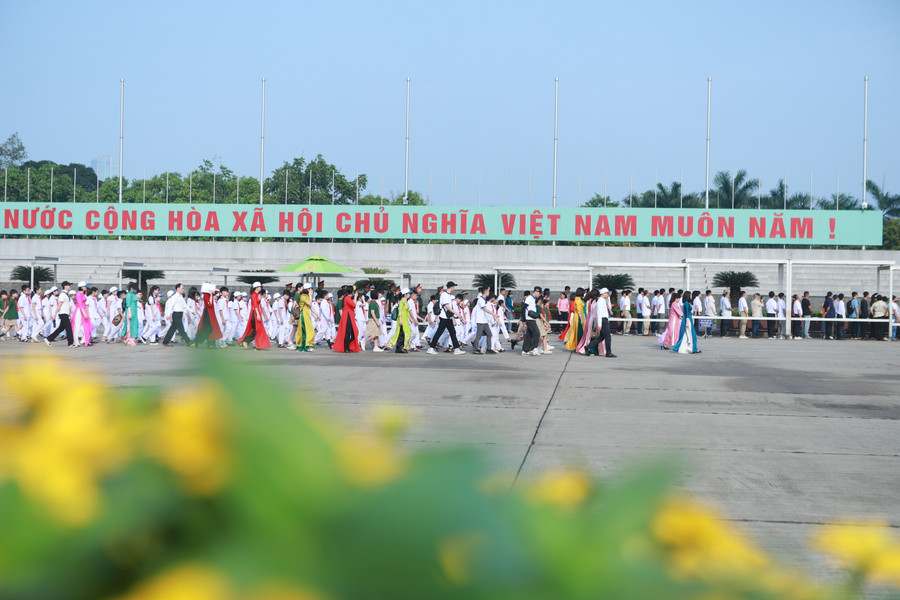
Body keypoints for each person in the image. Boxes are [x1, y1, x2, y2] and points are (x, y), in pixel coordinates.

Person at [427, 282, 465, 355]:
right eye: (454, 287)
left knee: (452, 332)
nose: (454, 288)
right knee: (439, 332)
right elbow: (447, 306)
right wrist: (456, 313)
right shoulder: (444, 295)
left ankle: (456, 348)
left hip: (448, 317)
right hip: (444, 317)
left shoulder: (448, 295)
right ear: (451, 287)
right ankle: (431, 348)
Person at [238, 283, 271, 350]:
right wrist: (258, 314)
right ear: (256, 287)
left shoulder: (256, 295)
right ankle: (246, 341)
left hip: (256, 313)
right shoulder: (254, 295)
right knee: (256, 330)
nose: (260, 288)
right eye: (259, 287)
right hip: (254, 314)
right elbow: (255, 305)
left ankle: (257, 345)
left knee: (258, 330)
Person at [585, 288, 616, 358]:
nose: (608, 294)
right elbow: (599, 313)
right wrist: (599, 324)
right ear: (603, 293)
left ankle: (588, 346)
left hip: (603, 319)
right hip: (603, 320)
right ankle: (608, 352)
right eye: (607, 293)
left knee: (602, 337)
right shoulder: (600, 301)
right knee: (608, 337)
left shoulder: (601, 300)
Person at [44, 282, 75, 347]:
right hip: (63, 313)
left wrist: (70, 314)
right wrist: (55, 314)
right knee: (68, 328)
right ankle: (70, 343)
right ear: (65, 286)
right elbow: (59, 305)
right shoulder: (62, 295)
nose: (70, 287)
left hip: (65, 313)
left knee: (60, 328)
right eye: (69, 285)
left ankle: (48, 339)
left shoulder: (66, 294)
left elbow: (68, 306)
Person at [194, 283, 223, 348]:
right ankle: (198, 340)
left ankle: (211, 344)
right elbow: (209, 304)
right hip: (208, 313)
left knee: (212, 329)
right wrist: (210, 294)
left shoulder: (210, 293)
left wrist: (212, 289)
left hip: (211, 313)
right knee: (209, 329)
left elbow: (217, 291)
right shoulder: (205, 295)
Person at [520, 286, 543, 356]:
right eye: (539, 293)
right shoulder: (529, 298)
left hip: (532, 318)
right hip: (530, 319)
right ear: (536, 291)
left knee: (529, 335)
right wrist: (523, 319)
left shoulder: (533, 299)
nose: (539, 295)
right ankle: (533, 349)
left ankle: (525, 350)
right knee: (537, 333)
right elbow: (523, 308)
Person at [472, 287, 495, 354]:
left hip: (484, 321)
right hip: (480, 321)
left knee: (489, 334)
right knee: (479, 335)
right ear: (485, 292)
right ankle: (475, 349)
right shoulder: (481, 300)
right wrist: (493, 314)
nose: (489, 293)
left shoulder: (483, 299)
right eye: (488, 291)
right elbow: (485, 309)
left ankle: (488, 349)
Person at [294, 284, 316, 352]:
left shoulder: (305, 296)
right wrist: (310, 295)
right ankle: (307, 346)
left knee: (306, 331)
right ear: (307, 289)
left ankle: (305, 346)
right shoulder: (303, 296)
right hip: (303, 315)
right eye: (310, 288)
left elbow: (310, 307)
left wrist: (316, 315)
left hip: (306, 315)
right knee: (309, 331)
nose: (311, 290)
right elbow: (309, 304)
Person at [72, 281, 93, 347]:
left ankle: (84, 340)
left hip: (83, 310)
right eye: (85, 286)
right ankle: (76, 342)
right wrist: (84, 313)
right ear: (81, 287)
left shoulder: (83, 294)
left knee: (87, 327)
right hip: (79, 311)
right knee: (77, 327)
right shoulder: (78, 294)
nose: (86, 287)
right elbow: (80, 304)